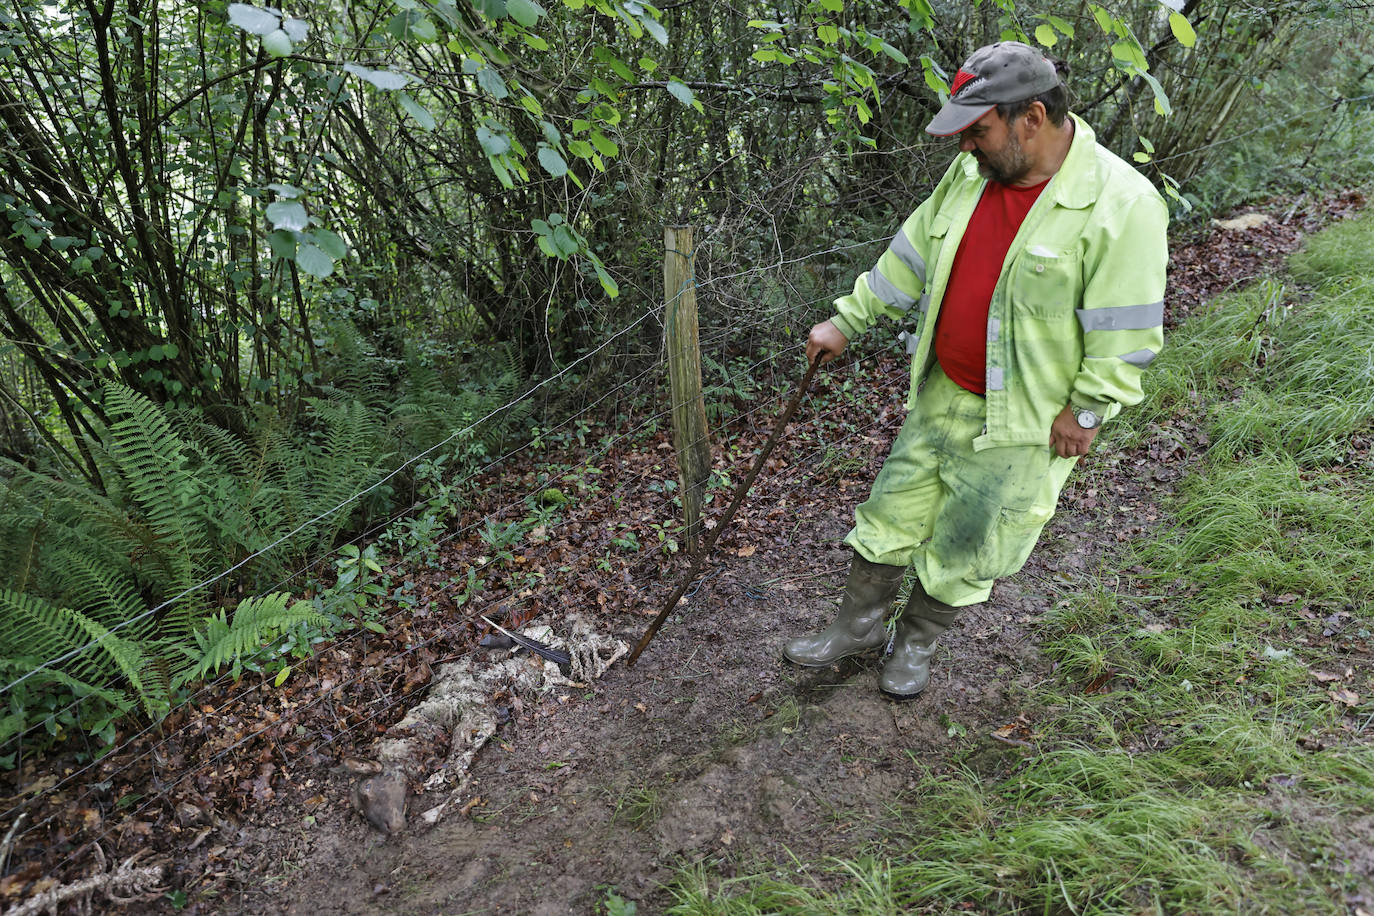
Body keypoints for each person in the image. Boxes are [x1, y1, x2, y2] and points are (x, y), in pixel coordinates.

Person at [783, 41, 1168, 699]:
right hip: (941, 394)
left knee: (970, 542)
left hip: (1024, 422)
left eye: (979, 131)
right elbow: (908, 257)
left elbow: (1125, 330)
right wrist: (848, 320)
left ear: (1032, 118)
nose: (967, 147)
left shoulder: (1122, 203)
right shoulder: (971, 177)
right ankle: (858, 628)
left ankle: (915, 647)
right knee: (888, 516)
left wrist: (1086, 411)